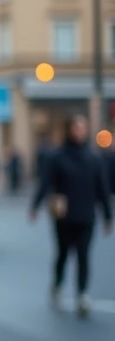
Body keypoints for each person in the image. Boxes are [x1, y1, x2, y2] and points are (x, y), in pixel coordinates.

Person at [30, 115, 112, 317]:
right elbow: (46, 182)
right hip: (64, 216)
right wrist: (35, 205)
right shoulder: (57, 157)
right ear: (68, 129)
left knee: (84, 256)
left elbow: (102, 188)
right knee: (63, 254)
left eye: (82, 127)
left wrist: (108, 215)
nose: (79, 131)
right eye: (76, 127)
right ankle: (58, 285)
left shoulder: (93, 158)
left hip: (86, 215)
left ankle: (82, 293)